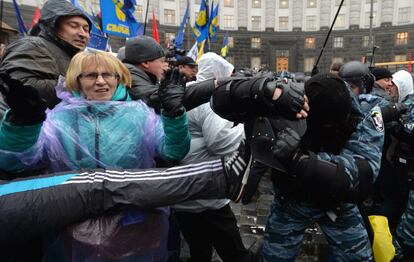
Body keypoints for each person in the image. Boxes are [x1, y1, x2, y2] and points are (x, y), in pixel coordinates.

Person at [0, 50, 190, 261]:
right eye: (90, 75)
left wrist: (174, 116)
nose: (101, 81)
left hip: (133, 222)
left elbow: (173, 150)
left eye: (108, 74)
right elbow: (16, 161)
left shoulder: (140, 114)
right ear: (77, 80)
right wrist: (22, 125)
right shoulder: (59, 117)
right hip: (71, 224)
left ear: (119, 78)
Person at [229, 73, 384, 261]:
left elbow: (364, 171)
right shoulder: (289, 104)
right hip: (292, 198)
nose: (327, 127)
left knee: (358, 258)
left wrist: (299, 160)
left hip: (337, 200)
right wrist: (260, 91)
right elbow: (223, 101)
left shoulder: (364, 116)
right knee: (274, 257)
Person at [173, 52, 253, 262]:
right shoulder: (211, 97)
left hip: (182, 189)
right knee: (235, 253)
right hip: (207, 191)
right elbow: (220, 141)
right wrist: (247, 127)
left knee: (199, 249)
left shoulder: (188, 90)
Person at [0, 0, 91, 109]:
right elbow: (18, 87)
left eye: (86, 29)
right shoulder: (32, 45)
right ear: (53, 25)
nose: (82, 34)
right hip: (27, 123)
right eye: (73, 26)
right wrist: (80, 85)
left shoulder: (76, 57)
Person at [122, 36, 215, 113]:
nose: (165, 66)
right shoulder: (131, 77)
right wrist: (214, 85)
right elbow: (161, 99)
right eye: (162, 61)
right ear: (145, 63)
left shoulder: (134, 74)